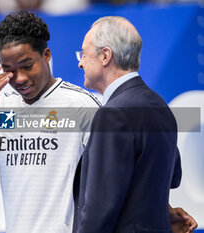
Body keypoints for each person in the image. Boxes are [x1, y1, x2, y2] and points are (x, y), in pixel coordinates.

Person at [0, 10, 100, 233]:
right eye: (9, 71)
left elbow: (115, 179)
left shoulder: (82, 105)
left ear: (46, 55)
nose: (20, 78)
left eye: (27, 66)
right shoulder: (1, 107)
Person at [72, 16, 198, 233]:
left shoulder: (112, 114)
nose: (80, 62)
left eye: (83, 53)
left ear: (105, 56)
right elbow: (172, 176)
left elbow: (99, 209)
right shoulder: (159, 105)